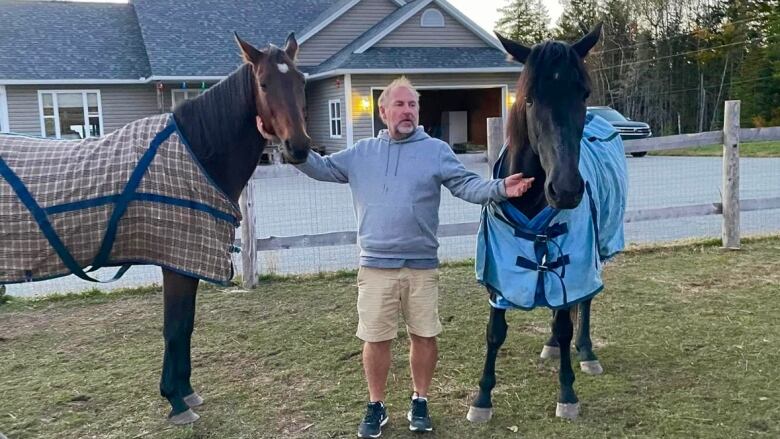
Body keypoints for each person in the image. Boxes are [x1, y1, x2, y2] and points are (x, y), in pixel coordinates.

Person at [257, 77, 533, 438]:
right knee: (376, 339)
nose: (407, 111)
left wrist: (500, 188)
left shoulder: (436, 150)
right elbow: (320, 167)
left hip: (421, 267)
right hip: (375, 268)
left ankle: (420, 400)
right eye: (399, 105)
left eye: (412, 105)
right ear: (383, 111)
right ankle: (376, 405)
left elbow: (467, 185)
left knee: (424, 335)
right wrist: (282, 138)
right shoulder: (361, 153)